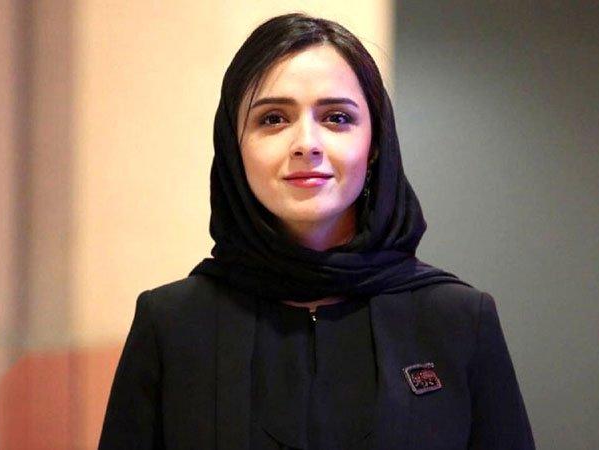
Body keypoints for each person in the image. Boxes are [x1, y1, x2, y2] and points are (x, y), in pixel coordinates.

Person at [98, 13, 535, 450]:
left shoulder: (458, 319)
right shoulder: (171, 324)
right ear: (234, 146)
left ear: (375, 142)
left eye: (337, 117)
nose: (306, 144)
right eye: (273, 119)